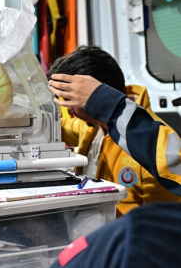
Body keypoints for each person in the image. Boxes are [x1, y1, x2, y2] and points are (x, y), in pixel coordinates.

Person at [48, 73, 181, 268]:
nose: (72, 113)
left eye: (71, 101)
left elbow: (160, 235)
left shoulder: (139, 150)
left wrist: (106, 104)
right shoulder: (93, 129)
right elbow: (63, 126)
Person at [46, 46, 181, 216]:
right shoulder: (93, 128)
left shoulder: (148, 149)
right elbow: (59, 128)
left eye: (69, 100)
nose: (69, 110)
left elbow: (163, 226)